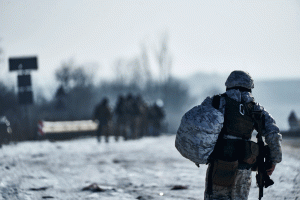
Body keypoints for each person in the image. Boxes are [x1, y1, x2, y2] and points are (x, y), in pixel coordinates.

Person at [201, 71, 282, 200]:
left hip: (219, 166)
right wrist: (274, 160)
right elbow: (273, 133)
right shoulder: (256, 108)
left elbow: (199, 126)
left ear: (228, 85)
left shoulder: (217, 102)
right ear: (249, 87)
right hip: (244, 169)